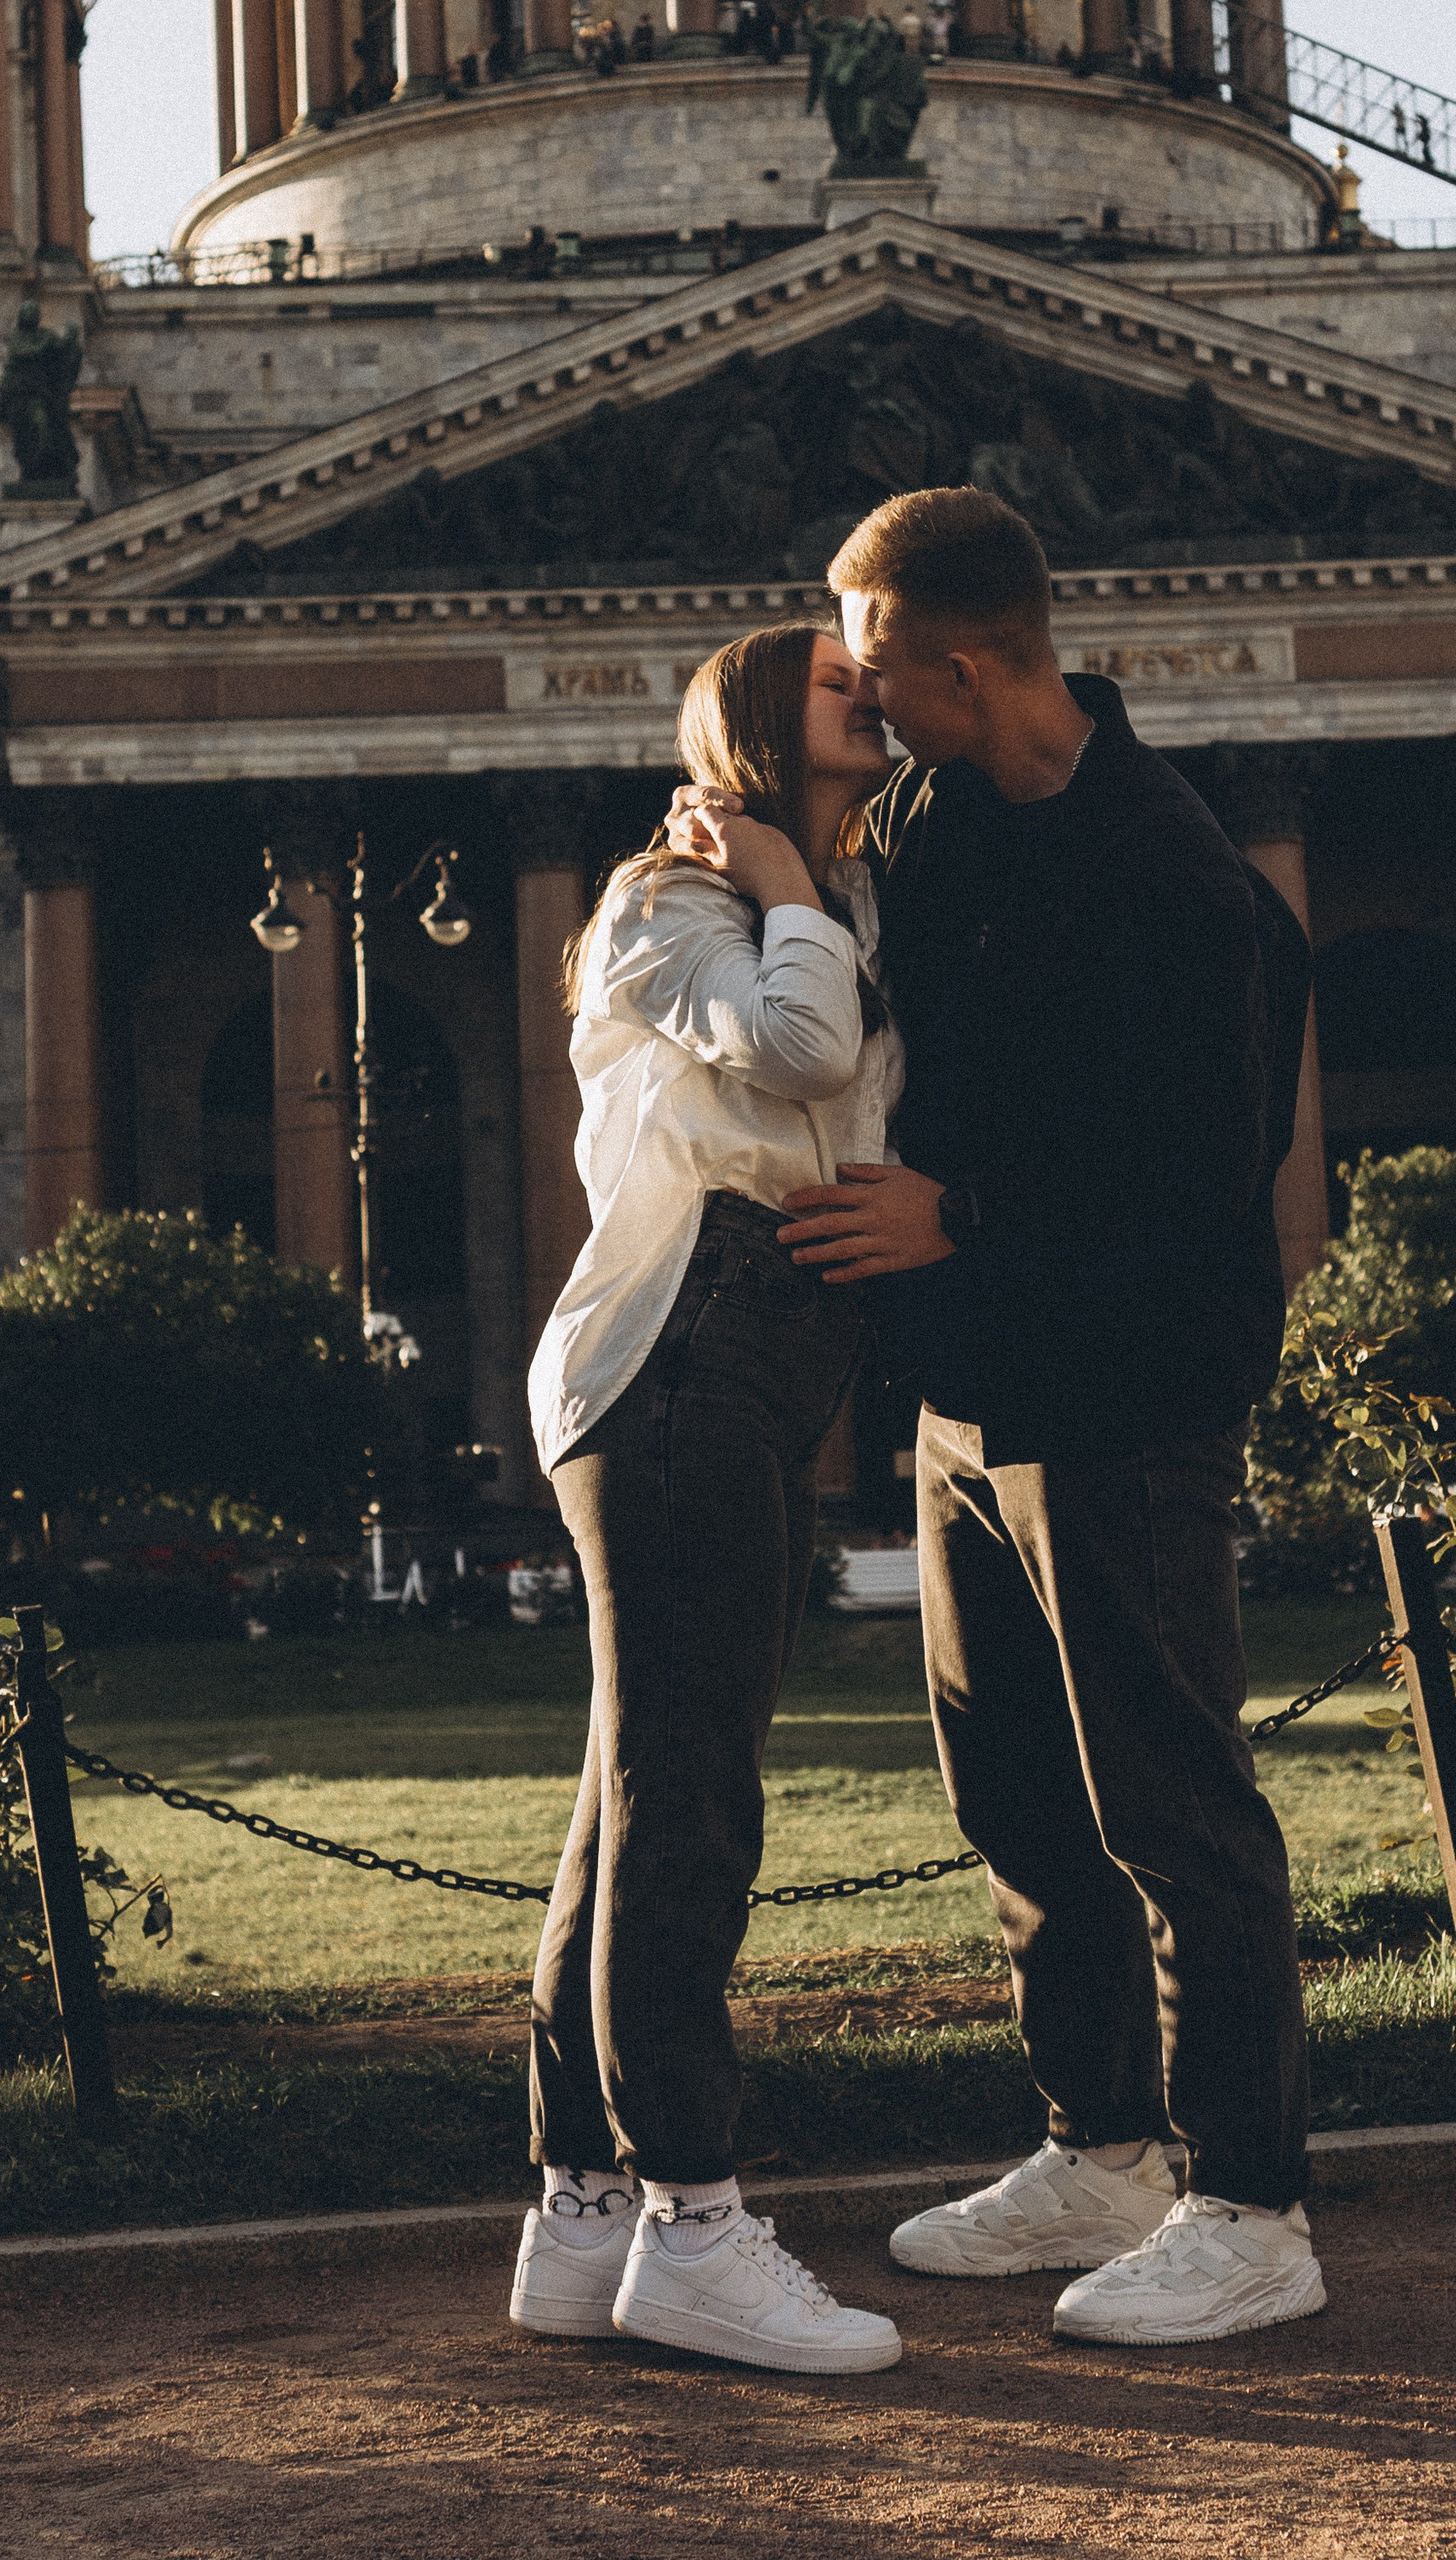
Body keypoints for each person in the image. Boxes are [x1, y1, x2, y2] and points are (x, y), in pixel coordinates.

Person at [671, 487, 1322, 2346]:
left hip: (1125, 1396)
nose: (857, 704)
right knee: (1019, 1798)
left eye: (870, 667)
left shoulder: (1177, 883)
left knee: (1170, 1803)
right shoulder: (942, 818)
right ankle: (1102, 2148)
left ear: (963, 667)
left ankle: (1252, 2204)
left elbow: (1205, 1181)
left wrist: (965, 1217)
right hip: (972, 1387)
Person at [511, 624, 906, 2375]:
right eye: (839, 684)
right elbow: (803, 1056)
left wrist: (808, 883)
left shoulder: (826, 892)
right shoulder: (671, 900)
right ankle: (693, 2219)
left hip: (746, 1352)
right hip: (681, 1348)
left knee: (632, 1791)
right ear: (756, 727)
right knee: (688, 1801)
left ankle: (579, 2211)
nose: (871, 696)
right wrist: (767, 874)